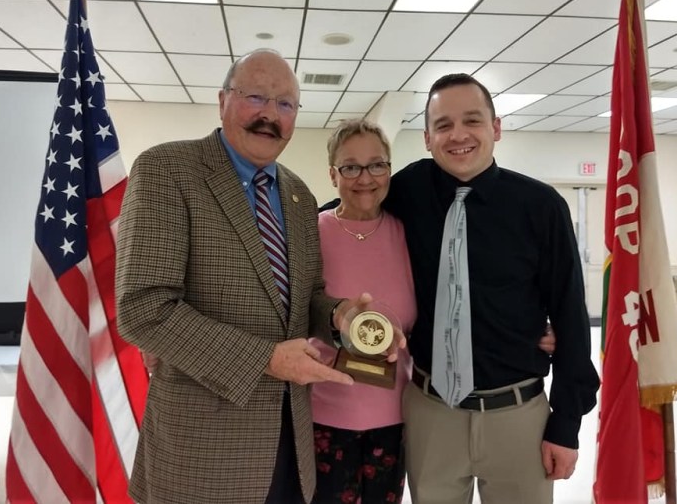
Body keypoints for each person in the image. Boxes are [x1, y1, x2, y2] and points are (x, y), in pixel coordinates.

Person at [116, 49, 369, 504]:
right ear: (222, 100)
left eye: (285, 104)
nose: (270, 114)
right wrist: (265, 360)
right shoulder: (167, 170)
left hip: (290, 445)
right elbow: (143, 309)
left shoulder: (298, 194)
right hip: (200, 452)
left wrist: (339, 318)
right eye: (256, 96)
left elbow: (305, 298)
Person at [383, 73, 600, 504]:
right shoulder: (407, 190)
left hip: (519, 417)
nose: (458, 135)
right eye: (443, 125)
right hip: (432, 414)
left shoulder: (541, 207)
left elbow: (573, 322)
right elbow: (345, 214)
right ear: (427, 138)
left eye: (473, 121)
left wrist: (566, 426)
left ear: (496, 128)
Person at [310, 119, 417, 504]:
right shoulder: (311, 232)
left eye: (377, 164)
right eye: (350, 167)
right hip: (323, 415)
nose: (365, 178)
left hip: (395, 416)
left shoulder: (410, 234)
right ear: (332, 175)